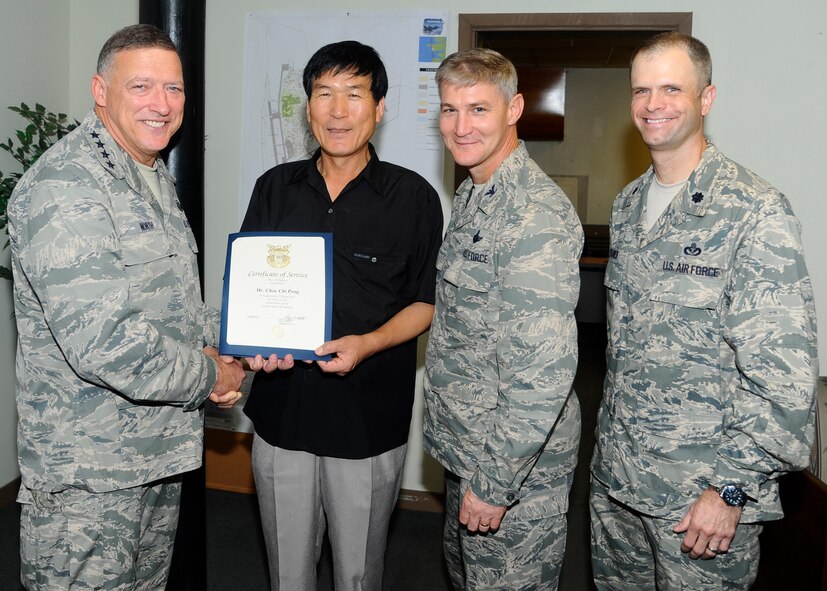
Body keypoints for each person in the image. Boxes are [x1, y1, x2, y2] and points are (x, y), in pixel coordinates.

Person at [7, 24, 246, 590]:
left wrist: (246, 340)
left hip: (150, 458)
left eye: (175, 89)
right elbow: (104, 342)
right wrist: (213, 373)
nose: (161, 105)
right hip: (88, 483)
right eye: (141, 86)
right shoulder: (67, 187)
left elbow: (176, 309)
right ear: (99, 89)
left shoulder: (148, 174)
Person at [590, 31, 819, 590]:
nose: (653, 104)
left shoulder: (755, 211)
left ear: (706, 99)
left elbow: (786, 385)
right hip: (619, 489)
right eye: (641, 90)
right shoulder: (628, 205)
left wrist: (731, 490)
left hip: (702, 503)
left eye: (672, 88)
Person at [239, 40, 443, 590]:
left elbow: (426, 301)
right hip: (283, 412)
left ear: (379, 109)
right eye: (323, 94)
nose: (337, 110)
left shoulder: (414, 198)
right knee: (288, 572)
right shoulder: (274, 188)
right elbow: (252, 288)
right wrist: (250, 343)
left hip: (367, 417)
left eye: (354, 95)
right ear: (307, 109)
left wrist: (369, 343)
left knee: (358, 574)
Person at [423, 48, 584, 590]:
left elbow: (543, 375)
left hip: (514, 475)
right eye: (449, 110)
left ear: (514, 108)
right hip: (472, 450)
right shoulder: (474, 191)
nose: (461, 126)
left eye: (478, 109)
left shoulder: (532, 216)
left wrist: (493, 484)